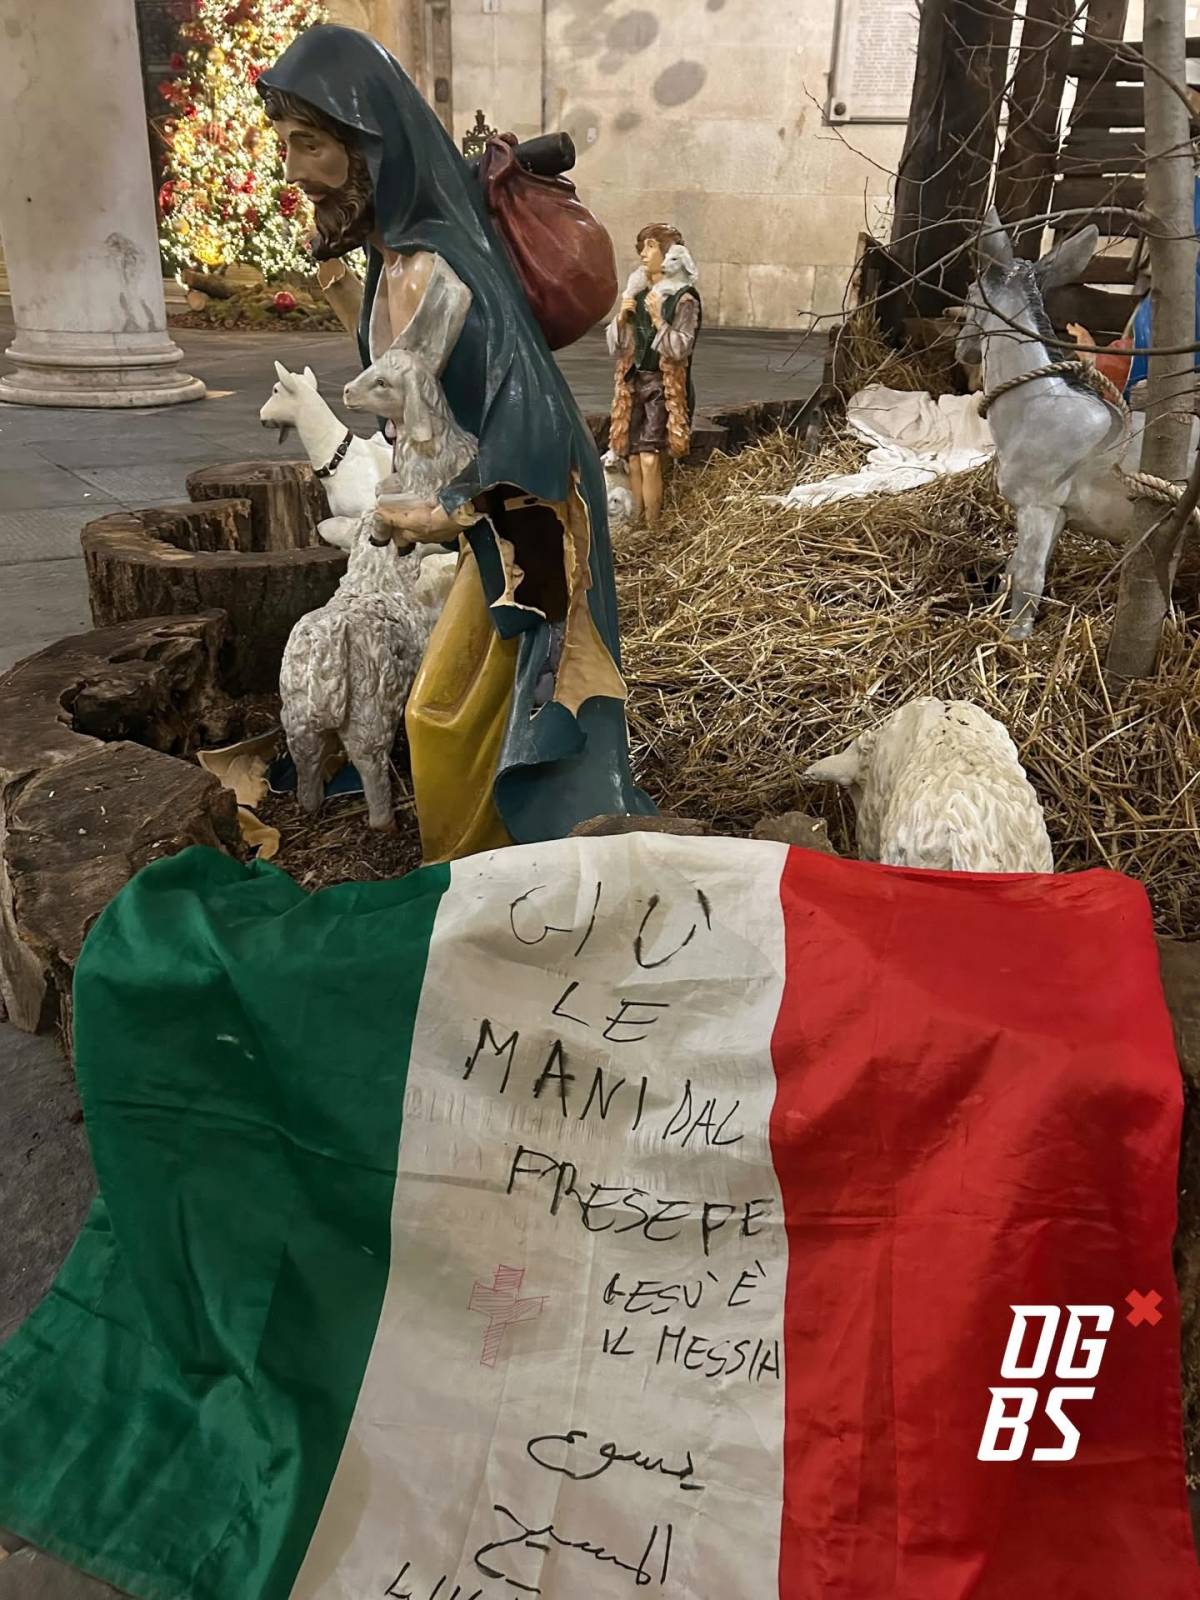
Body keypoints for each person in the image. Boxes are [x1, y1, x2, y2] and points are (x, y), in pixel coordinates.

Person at [257, 25, 654, 861]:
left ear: (371, 148)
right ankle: (487, 865)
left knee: (449, 715)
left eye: (309, 144)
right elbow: (405, 381)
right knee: (452, 711)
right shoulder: (392, 261)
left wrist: (440, 511)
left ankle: (504, 866)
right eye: (286, 144)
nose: (292, 169)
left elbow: (534, 419)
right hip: (485, 511)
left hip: (529, 513)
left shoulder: (441, 268)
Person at [607, 224, 702, 530]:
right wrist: (622, 318)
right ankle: (636, 524)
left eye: (651, 247)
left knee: (650, 458)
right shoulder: (638, 294)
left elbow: (680, 347)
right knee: (633, 458)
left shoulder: (683, 299)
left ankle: (654, 526)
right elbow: (622, 347)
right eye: (643, 247)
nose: (644, 254)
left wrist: (660, 319)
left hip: (663, 388)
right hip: (636, 382)